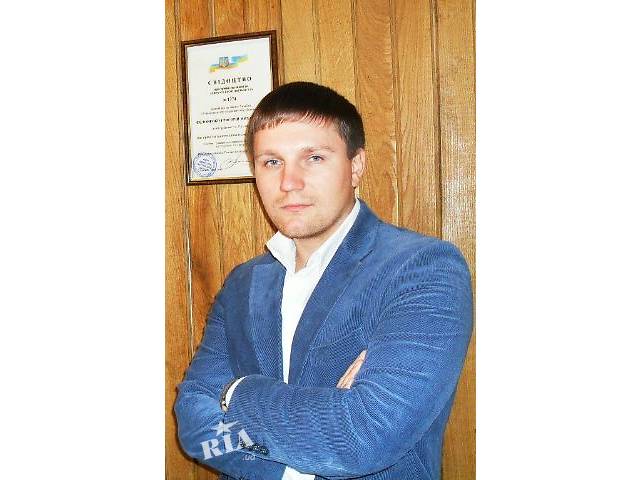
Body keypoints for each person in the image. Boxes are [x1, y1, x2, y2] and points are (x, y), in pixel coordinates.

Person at [174, 81, 473, 480]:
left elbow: (361, 439)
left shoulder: (422, 269)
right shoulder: (242, 284)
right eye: (271, 162)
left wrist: (235, 392)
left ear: (356, 165)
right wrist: (284, 462)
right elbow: (198, 431)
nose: (289, 182)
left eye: (313, 158)